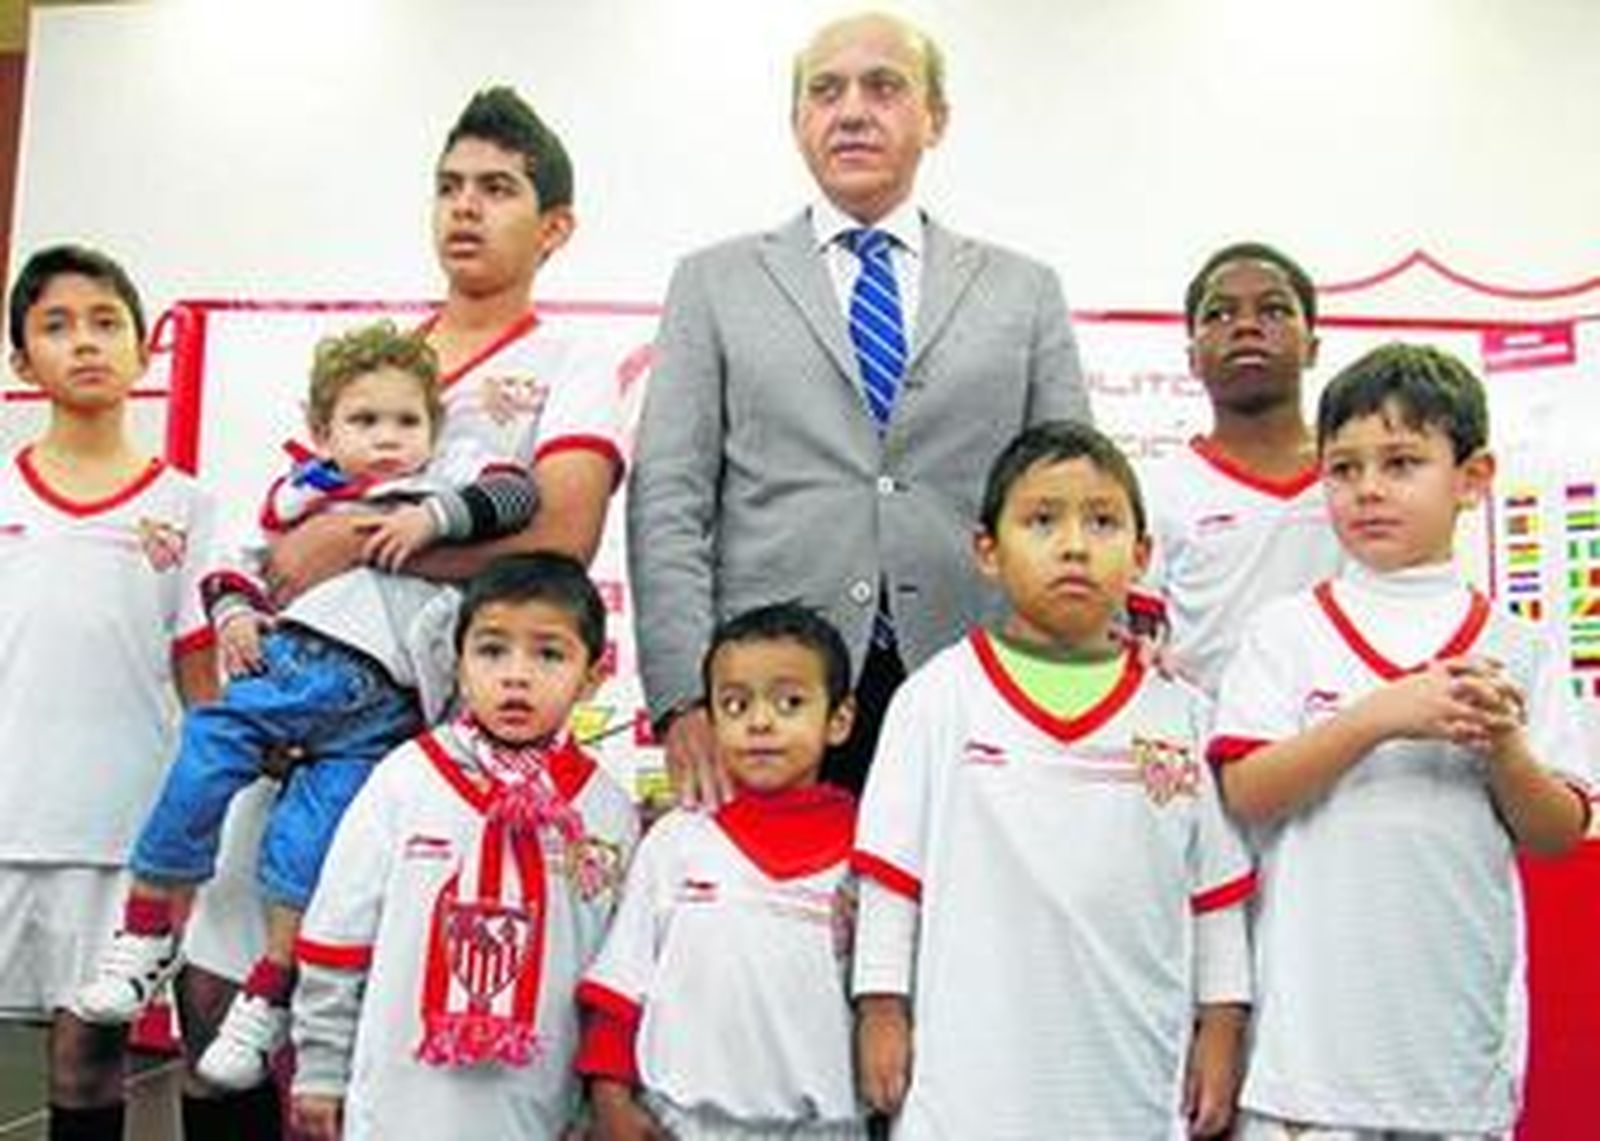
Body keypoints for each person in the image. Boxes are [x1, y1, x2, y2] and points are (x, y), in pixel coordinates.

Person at [178, 85, 625, 1131]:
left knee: (355, 981)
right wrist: (302, 564)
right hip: (294, 686)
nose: (465, 208)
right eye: (449, 187)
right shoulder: (383, 356)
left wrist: (367, 538)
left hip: (420, 724)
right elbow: (284, 538)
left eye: (498, 189)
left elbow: (560, 533)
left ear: (553, 226)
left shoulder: (569, 363)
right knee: (219, 970)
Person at [629, 10, 1092, 805]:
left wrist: (1080, 659)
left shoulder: (1024, 290)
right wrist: (682, 697)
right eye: (826, 91)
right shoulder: (714, 283)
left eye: (884, 88)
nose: (851, 111)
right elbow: (668, 497)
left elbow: (1074, 495)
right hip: (772, 696)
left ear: (934, 118)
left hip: (980, 679)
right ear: (797, 120)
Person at [74, 319, 538, 1090]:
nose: (388, 438)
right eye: (363, 421)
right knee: (201, 758)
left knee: (308, 847)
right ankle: (149, 928)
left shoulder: (449, 476)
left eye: (406, 420)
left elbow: (517, 495)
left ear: (434, 425)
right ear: (322, 431)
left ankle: (271, 989)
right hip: (291, 672)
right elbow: (234, 570)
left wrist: (429, 519)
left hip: (383, 707)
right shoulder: (298, 497)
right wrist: (235, 614)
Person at [1208, 344, 1595, 1139]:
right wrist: (1381, 715)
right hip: (1308, 1064)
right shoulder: (1286, 632)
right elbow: (1247, 791)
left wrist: (1507, 749)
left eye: (1401, 462)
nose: (1369, 489)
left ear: (1473, 478)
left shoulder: (1518, 644)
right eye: (1344, 468)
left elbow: (1558, 833)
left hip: (1456, 1055)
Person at [854, 420, 1254, 1138]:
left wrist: (1222, 1024)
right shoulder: (936, 697)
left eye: (1102, 522)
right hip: (968, 1081)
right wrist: (880, 1005)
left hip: (1132, 1075)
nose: (1074, 544)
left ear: (1140, 555)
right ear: (987, 549)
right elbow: (891, 880)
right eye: (1042, 520)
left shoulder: (1186, 713)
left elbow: (1215, 895)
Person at [289, 552, 638, 1141]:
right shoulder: (406, 778)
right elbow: (338, 932)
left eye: (549, 654)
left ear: (594, 674)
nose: (516, 675)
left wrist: (591, 1105)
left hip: (535, 1111)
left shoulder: (606, 811)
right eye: (492, 650)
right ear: (459, 661)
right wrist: (322, 1067)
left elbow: (610, 974)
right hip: (397, 1103)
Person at [0, 244, 219, 1141]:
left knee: (88, 1061)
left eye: (105, 323)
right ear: (21, 361)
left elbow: (201, 684)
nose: (84, 342)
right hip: (7, 809)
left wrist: (203, 837)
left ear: (142, 351)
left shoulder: (187, 504)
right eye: (56, 325)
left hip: (118, 831)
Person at [576, 602, 865, 1140]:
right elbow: (620, 987)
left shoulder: (870, 854)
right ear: (710, 719)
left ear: (839, 719)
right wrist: (610, 1099)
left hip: (825, 1127)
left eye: (790, 702)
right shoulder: (677, 841)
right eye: (735, 704)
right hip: (678, 1123)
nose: (759, 721)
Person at [1137, 241, 1341, 694]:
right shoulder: (1154, 490)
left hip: (1353, 746)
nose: (1246, 327)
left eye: (1272, 310)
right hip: (1209, 750)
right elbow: (1140, 641)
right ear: (1191, 358)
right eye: (1220, 315)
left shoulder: (1355, 477)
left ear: (1312, 348)